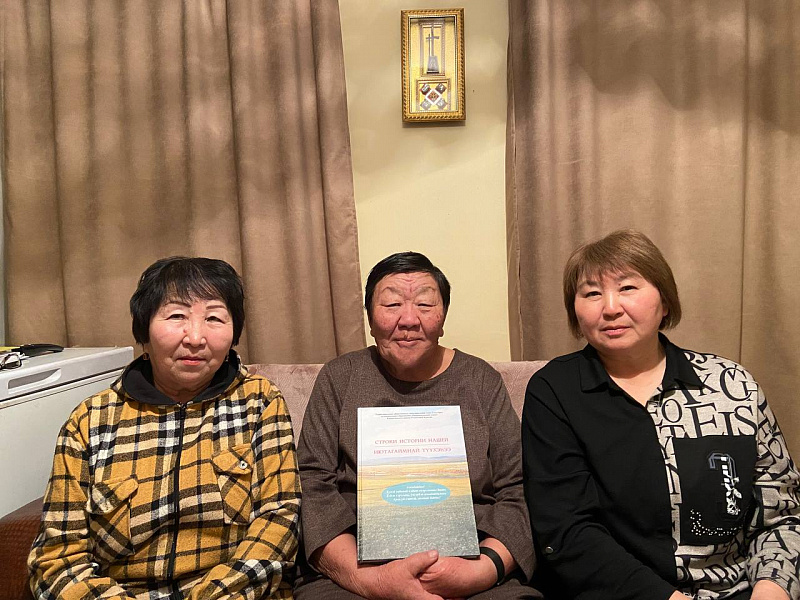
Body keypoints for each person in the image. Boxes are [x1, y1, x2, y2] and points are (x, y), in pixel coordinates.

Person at [521, 230, 800, 600]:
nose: (610, 307)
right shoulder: (555, 390)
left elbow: (782, 512)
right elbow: (566, 530)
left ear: (665, 301)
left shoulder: (732, 385)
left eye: (627, 288)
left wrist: (772, 589)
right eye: (591, 293)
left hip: (741, 589)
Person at [28, 257, 300, 600]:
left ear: (234, 333)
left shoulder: (259, 401)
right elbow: (57, 559)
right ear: (144, 331)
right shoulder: (90, 421)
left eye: (214, 318)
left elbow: (279, 520)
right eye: (176, 316)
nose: (196, 338)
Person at [295, 252, 540, 599]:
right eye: (392, 304)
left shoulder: (480, 380)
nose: (409, 319)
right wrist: (372, 581)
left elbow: (516, 487)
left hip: (472, 565)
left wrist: (480, 571)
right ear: (370, 318)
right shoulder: (341, 377)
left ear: (443, 318)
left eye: (425, 304)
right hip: (355, 571)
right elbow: (312, 483)